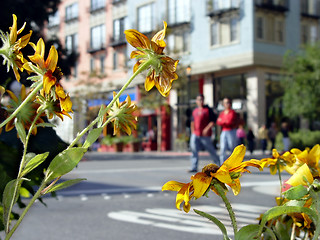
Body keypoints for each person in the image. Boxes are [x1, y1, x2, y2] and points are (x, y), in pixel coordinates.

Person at [189, 94, 220, 172]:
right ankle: (194, 167)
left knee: (211, 150)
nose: (201, 101)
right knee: (194, 150)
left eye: (202, 99)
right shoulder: (195, 110)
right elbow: (192, 122)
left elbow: (213, 121)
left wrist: (207, 129)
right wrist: (193, 132)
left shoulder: (208, 110)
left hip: (205, 135)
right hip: (195, 134)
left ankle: (219, 164)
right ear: (196, 101)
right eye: (199, 100)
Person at [217, 97, 238, 164]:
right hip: (224, 131)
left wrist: (223, 121)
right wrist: (224, 121)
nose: (227, 104)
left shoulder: (232, 112)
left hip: (231, 131)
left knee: (233, 148)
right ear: (223, 104)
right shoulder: (222, 113)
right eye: (226, 102)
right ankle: (222, 164)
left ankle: (236, 163)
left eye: (228, 102)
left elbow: (229, 121)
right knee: (222, 148)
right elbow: (218, 122)